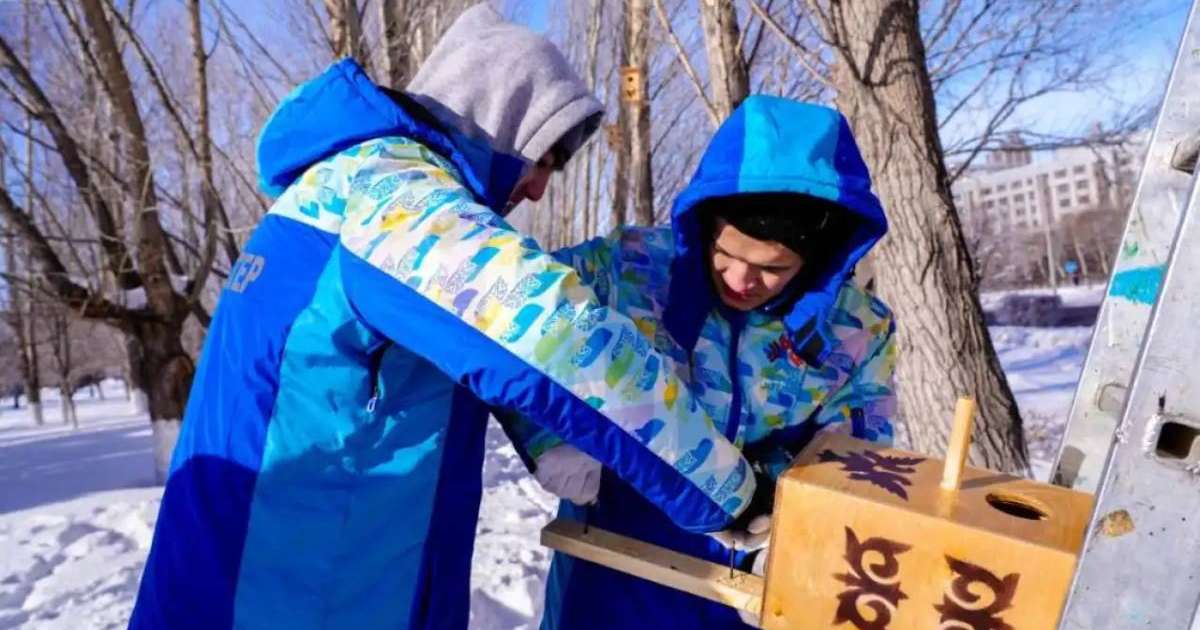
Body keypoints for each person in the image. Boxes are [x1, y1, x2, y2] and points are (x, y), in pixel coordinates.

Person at [128, 6, 763, 630]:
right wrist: (728, 490)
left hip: (285, 575)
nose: (540, 188)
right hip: (286, 594)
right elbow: (561, 342)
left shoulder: (343, 186)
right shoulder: (395, 202)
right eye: (542, 159)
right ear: (497, 118)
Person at [505, 96, 898, 629]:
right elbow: (506, 312)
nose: (740, 281)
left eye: (772, 268)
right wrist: (549, 435)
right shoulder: (629, 268)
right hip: (614, 563)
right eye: (727, 254)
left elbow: (857, 454)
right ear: (705, 223)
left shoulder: (857, 330)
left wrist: (797, 527)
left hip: (757, 582)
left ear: (820, 259)